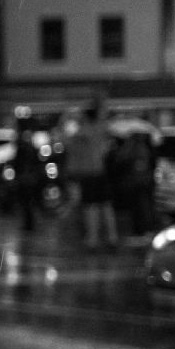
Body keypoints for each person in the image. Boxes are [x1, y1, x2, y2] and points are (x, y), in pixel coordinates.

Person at [65, 106, 118, 248]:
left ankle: (92, 239)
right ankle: (112, 238)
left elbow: (67, 143)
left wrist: (66, 117)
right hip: (100, 173)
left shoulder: (81, 133)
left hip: (89, 175)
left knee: (91, 208)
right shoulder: (101, 130)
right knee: (106, 206)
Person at [12, 127, 45, 232]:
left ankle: (30, 224)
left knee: (29, 203)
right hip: (26, 180)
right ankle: (28, 224)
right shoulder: (23, 150)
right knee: (26, 203)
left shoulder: (30, 150)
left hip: (29, 180)